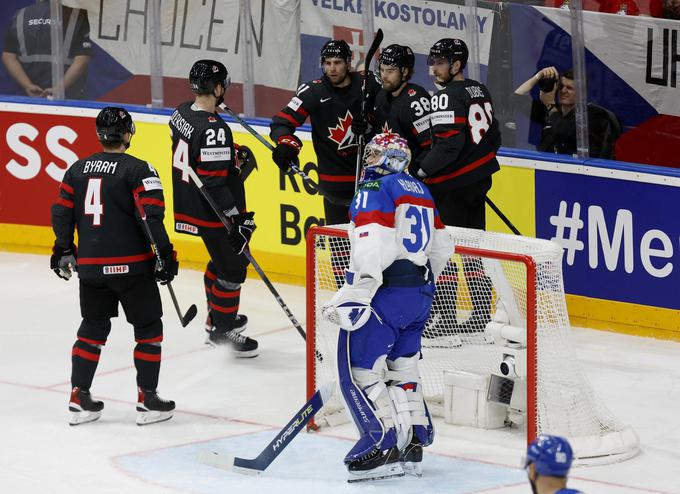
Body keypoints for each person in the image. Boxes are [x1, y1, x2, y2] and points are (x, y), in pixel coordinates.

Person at [321, 133, 453, 482]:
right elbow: (443, 248)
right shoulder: (422, 191)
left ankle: (380, 442)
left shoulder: (375, 189)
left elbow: (372, 244)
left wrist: (358, 291)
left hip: (385, 293)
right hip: (419, 294)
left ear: (393, 157)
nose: (370, 160)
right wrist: (419, 284)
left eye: (377, 154)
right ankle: (413, 443)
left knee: (360, 370)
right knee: (403, 369)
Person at [51, 107, 177, 426]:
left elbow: (62, 213)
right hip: (133, 268)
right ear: (125, 134)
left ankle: (79, 396)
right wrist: (164, 253)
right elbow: (150, 215)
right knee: (148, 328)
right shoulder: (138, 169)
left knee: (92, 329)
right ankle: (148, 398)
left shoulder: (76, 170)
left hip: (91, 268)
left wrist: (63, 250)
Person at [169, 59, 258, 357]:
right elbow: (214, 181)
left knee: (220, 262)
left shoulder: (181, 112)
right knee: (233, 269)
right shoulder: (214, 128)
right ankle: (221, 330)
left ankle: (217, 317)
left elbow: (197, 152)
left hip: (190, 205)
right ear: (219, 87)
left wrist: (230, 153)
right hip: (213, 211)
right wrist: (235, 220)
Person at [416, 38, 502, 338]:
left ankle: (447, 317)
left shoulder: (445, 96)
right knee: (472, 248)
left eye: (440, 63)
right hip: (479, 181)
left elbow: (448, 147)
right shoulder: (479, 89)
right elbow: (495, 139)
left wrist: (421, 171)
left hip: (451, 186)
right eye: (433, 62)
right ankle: (480, 314)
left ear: (456, 65)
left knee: (445, 250)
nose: (433, 69)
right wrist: (478, 165)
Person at [269, 39, 381, 224]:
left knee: (370, 244)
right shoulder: (312, 91)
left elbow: (390, 113)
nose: (332, 68)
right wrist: (287, 143)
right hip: (333, 185)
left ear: (348, 62)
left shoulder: (368, 83)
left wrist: (370, 122)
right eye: (327, 63)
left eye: (337, 62)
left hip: (370, 178)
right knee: (339, 247)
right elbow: (280, 123)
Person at [515, 68, 621, 160]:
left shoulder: (592, 116)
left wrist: (550, 106)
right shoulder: (552, 111)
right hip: (546, 170)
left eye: (569, 88)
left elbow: (563, 131)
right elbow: (516, 98)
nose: (563, 91)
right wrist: (539, 75)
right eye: (561, 86)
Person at [2, 1, 91, 99]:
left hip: (30, 99)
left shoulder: (20, 15)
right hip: (67, 100)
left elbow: (8, 57)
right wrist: (59, 89)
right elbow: (82, 61)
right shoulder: (77, 16)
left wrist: (27, 85)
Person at [373, 44, 432, 174]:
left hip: (409, 178)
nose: (384, 76)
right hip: (387, 173)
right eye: (382, 70)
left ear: (404, 72)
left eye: (390, 71)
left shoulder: (416, 100)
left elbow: (431, 146)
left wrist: (414, 172)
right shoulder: (381, 96)